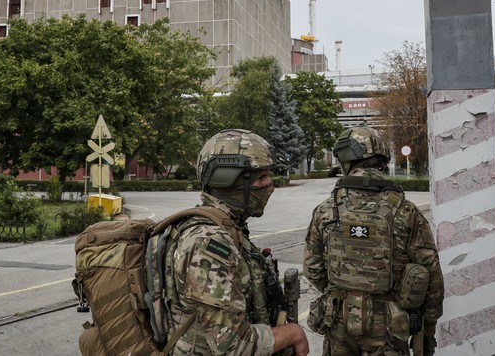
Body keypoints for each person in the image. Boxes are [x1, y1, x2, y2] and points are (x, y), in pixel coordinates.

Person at [163, 129, 309, 355]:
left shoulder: (230, 228)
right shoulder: (207, 244)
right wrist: (292, 333)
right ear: (228, 179)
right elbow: (231, 345)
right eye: (260, 178)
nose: (269, 185)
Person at [304, 127, 444, 356]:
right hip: (389, 326)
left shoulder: (326, 210)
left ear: (346, 161)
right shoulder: (405, 210)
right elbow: (431, 273)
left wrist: (343, 291)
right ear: (381, 159)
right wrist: (428, 328)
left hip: (338, 321)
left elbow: (312, 268)